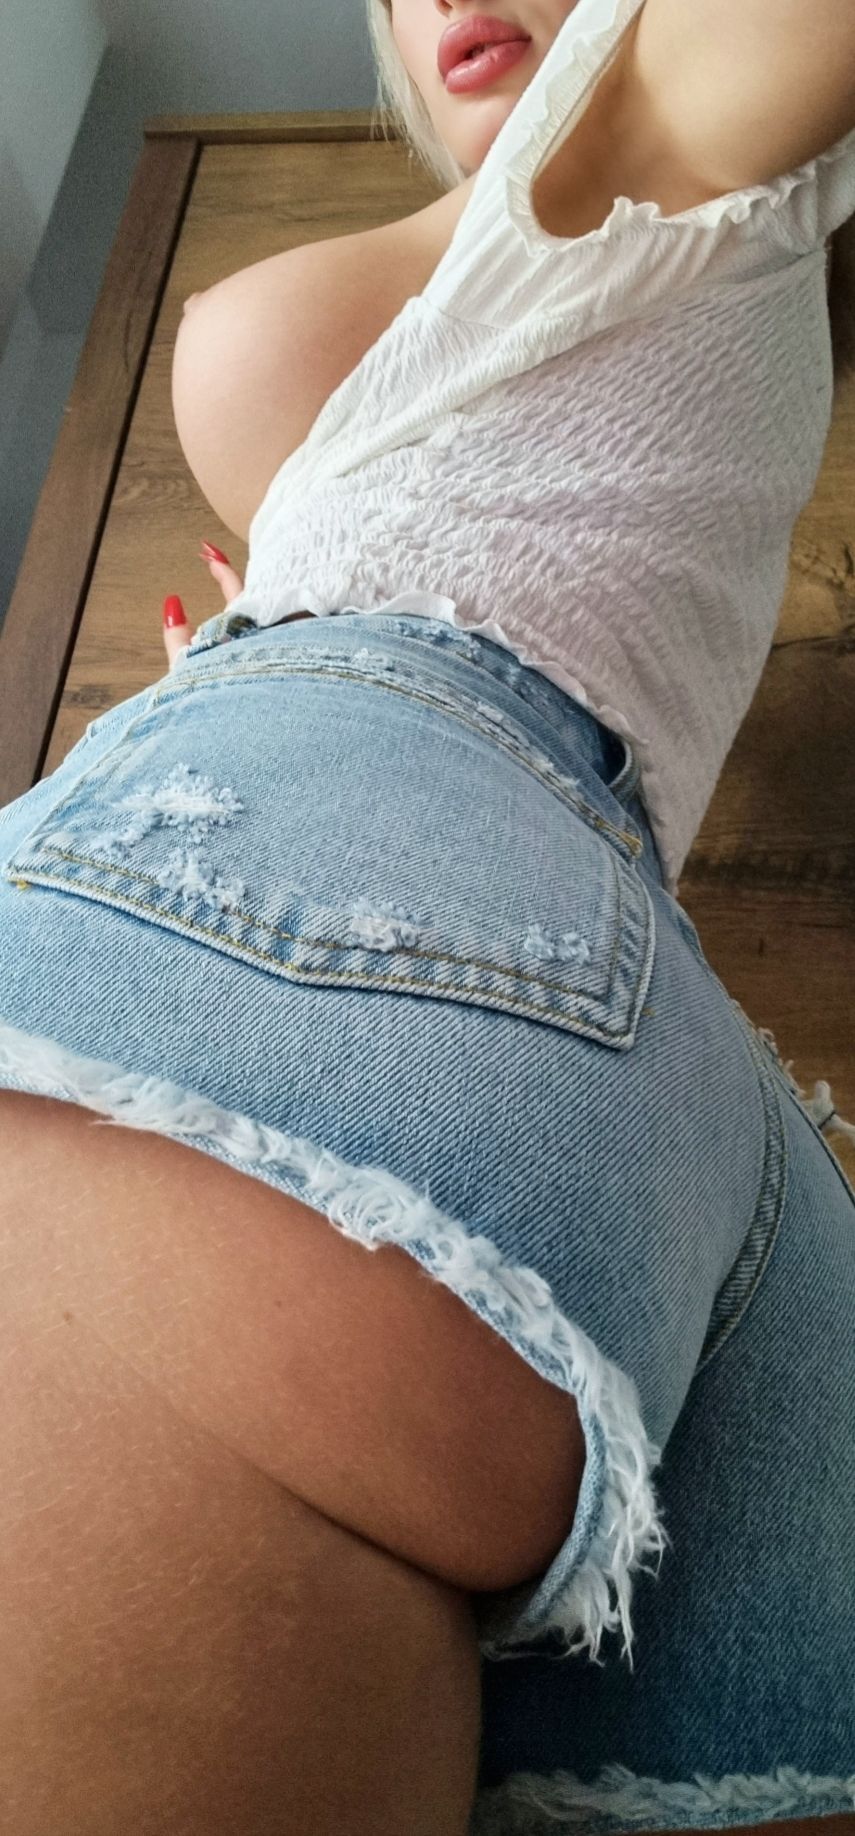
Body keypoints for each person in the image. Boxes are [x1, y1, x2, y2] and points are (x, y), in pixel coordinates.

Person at [1, 3, 855, 1832]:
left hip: (409, 900)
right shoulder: (499, 297)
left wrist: (303, 713)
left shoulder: (658, 141)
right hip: (589, 998)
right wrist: (269, 664)